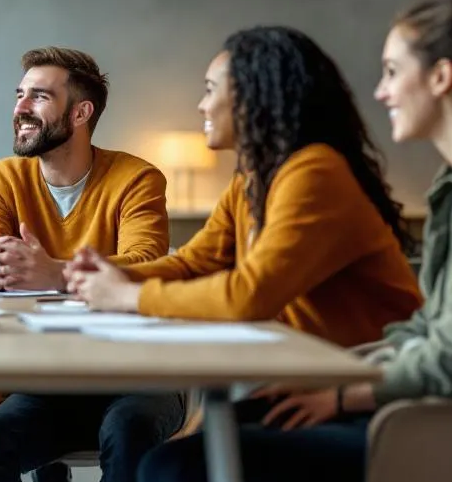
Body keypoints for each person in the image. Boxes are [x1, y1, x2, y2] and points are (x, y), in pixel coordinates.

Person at [138, 0, 452, 482]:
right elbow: (429, 332)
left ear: (442, 78)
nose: (380, 91)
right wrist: (343, 382)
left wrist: (343, 396)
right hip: (445, 415)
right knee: (192, 451)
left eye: (391, 71)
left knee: (183, 468)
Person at [68, 26, 422, 350]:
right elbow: (196, 263)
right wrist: (112, 276)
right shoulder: (251, 180)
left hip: (368, 380)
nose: (201, 105)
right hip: (307, 372)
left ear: (254, 97)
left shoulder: (315, 171)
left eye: (209, 90)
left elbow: (249, 295)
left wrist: (129, 295)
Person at [0, 47, 176, 482]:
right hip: (48, 380)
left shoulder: (137, 177)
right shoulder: (5, 176)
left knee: (130, 433)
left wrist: (54, 272)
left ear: (81, 112)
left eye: (39, 96)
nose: (20, 108)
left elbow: (146, 263)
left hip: (137, 377)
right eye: (20, 95)